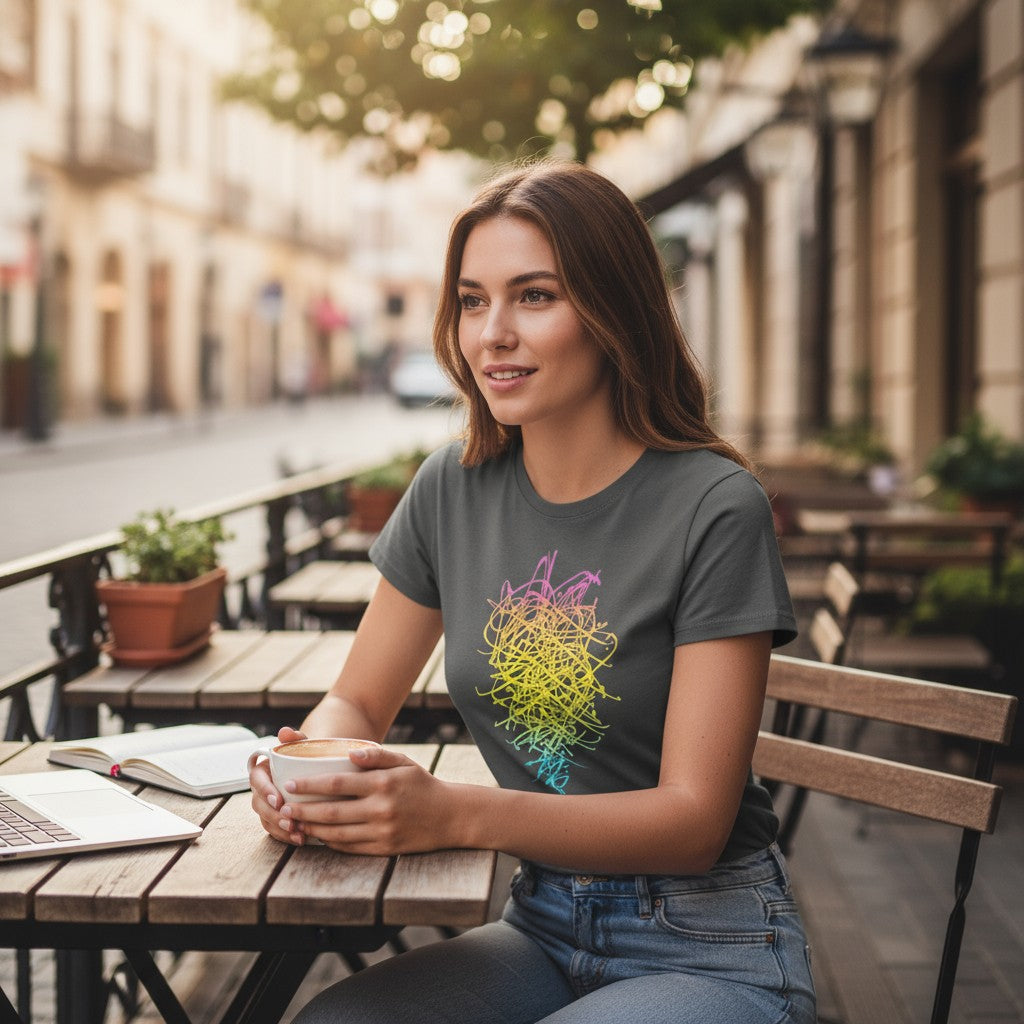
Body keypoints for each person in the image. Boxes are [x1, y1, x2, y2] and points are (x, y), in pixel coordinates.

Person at [249, 160, 816, 1024]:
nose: (492, 334)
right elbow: (356, 699)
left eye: (535, 296)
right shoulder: (453, 487)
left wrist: (454, 813)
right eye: (473, 301)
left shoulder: (715, 507)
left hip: (708, 945)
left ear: (613, 311)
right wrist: (312, 776)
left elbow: (695, 820)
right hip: (543, 927)